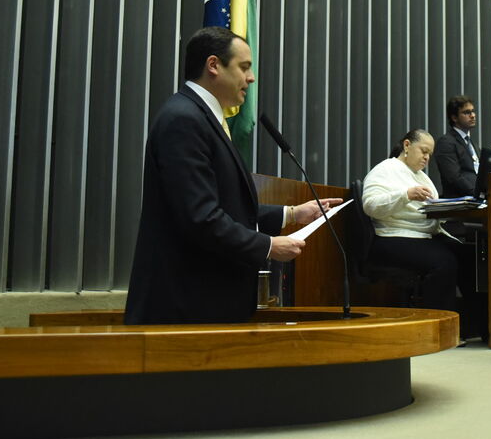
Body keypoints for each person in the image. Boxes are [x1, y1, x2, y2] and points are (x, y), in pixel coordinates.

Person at [125, 27, 340, 325]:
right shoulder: (184, 120)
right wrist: (267, 246)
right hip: (185, 303)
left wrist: (293, 213)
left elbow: (225, 205)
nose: (250, 78)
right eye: (244, 67)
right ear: (213, 65)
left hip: (204, 299)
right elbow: (200, 217)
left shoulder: (202, 117)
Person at [362, 129, 475, 333]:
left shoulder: (422, 177)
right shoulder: (385, 169)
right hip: (393, 236)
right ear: (407, 145)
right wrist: (406, 194)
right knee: (444, 261)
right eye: (423, 151)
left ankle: (478, 326)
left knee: (471, 256)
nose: (426, 157)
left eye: (429, 154)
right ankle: (438, 329)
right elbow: (371, 206)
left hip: (424, 234)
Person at [433, 95, 480, 197]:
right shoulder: (446, 143)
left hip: (477, 200)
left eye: (473, 111)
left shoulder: (472, 144)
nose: (472, 115)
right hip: (460, 203)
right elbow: (454, 177)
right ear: (454, 117)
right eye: (466, 112)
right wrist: (477, 193)